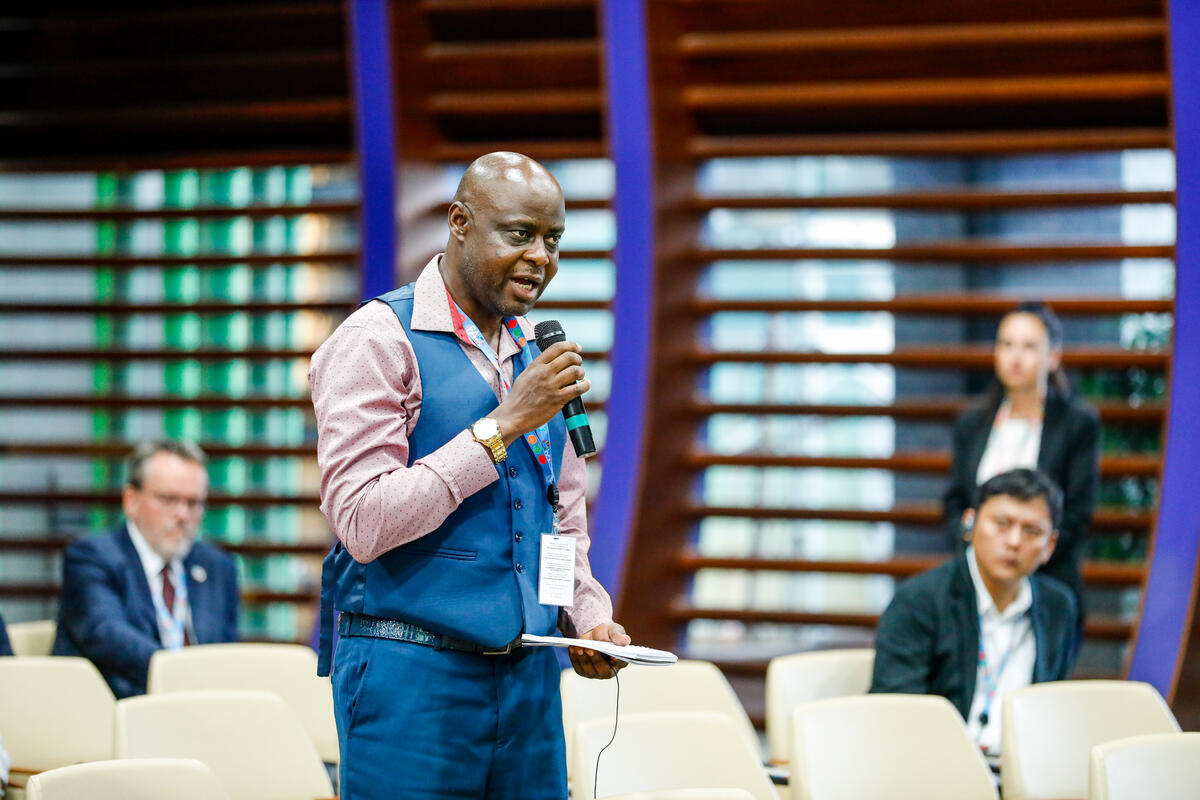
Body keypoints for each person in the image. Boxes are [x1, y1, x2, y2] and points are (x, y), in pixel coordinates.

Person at [310, 152, 629, 800]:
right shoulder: (377, 339)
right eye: (520, 234)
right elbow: (363, 522)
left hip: (528, 683)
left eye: (553, 239)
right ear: (459, 222)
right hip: (410, 678)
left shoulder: (538, 352)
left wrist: (588, 617)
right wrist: (502, 426)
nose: (540, 257)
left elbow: (560, 519)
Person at [873, 468, 1077, 763]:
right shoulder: (920, 600)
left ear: (1050, 546)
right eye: (1002, 524)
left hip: (1022, 771)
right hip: (937, 769)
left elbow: (1052, 710)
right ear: (970, 523)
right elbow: (896, 713)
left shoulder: (1058, 607)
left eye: (1032, 531)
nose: (1014, 542)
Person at [943, 302, 1099, 625]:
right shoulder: (972, 422)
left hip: (1047, 583)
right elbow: (955, 499)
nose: (1015, 356)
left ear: (1053, 356)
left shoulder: (1077, 423)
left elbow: (1077, 512)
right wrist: (975, 543)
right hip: (975, 582)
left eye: (1029, 346)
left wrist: (1024, 554)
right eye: (1006, 344)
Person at [52, 440, 239, 698]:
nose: (183, 515)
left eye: (194, 503)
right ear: (131, 500)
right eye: (169, 499)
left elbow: (225, 657)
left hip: (200, 710)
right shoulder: (91, 557)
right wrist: (181, 674)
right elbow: (106, 636)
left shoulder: (217, 567)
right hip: (115, 710)